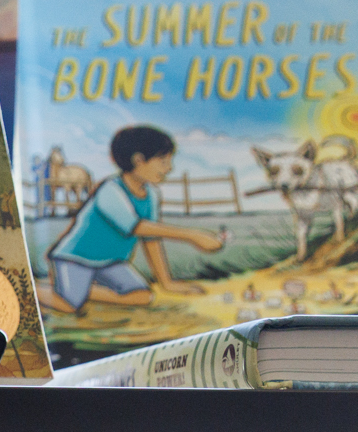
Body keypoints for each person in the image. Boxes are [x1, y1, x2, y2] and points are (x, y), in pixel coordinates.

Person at [39, 124, 227, 316]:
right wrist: (192, 236)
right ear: (138, 160)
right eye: (163, 161)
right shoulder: (110, 190)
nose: (169, 168)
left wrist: (167, 283)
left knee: (142, 296)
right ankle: (37, 289)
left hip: (111, 262)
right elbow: (137, 228)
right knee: (70, 305)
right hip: (76, 259)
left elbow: (151, 238)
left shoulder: (152, 195)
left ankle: (80, 289)